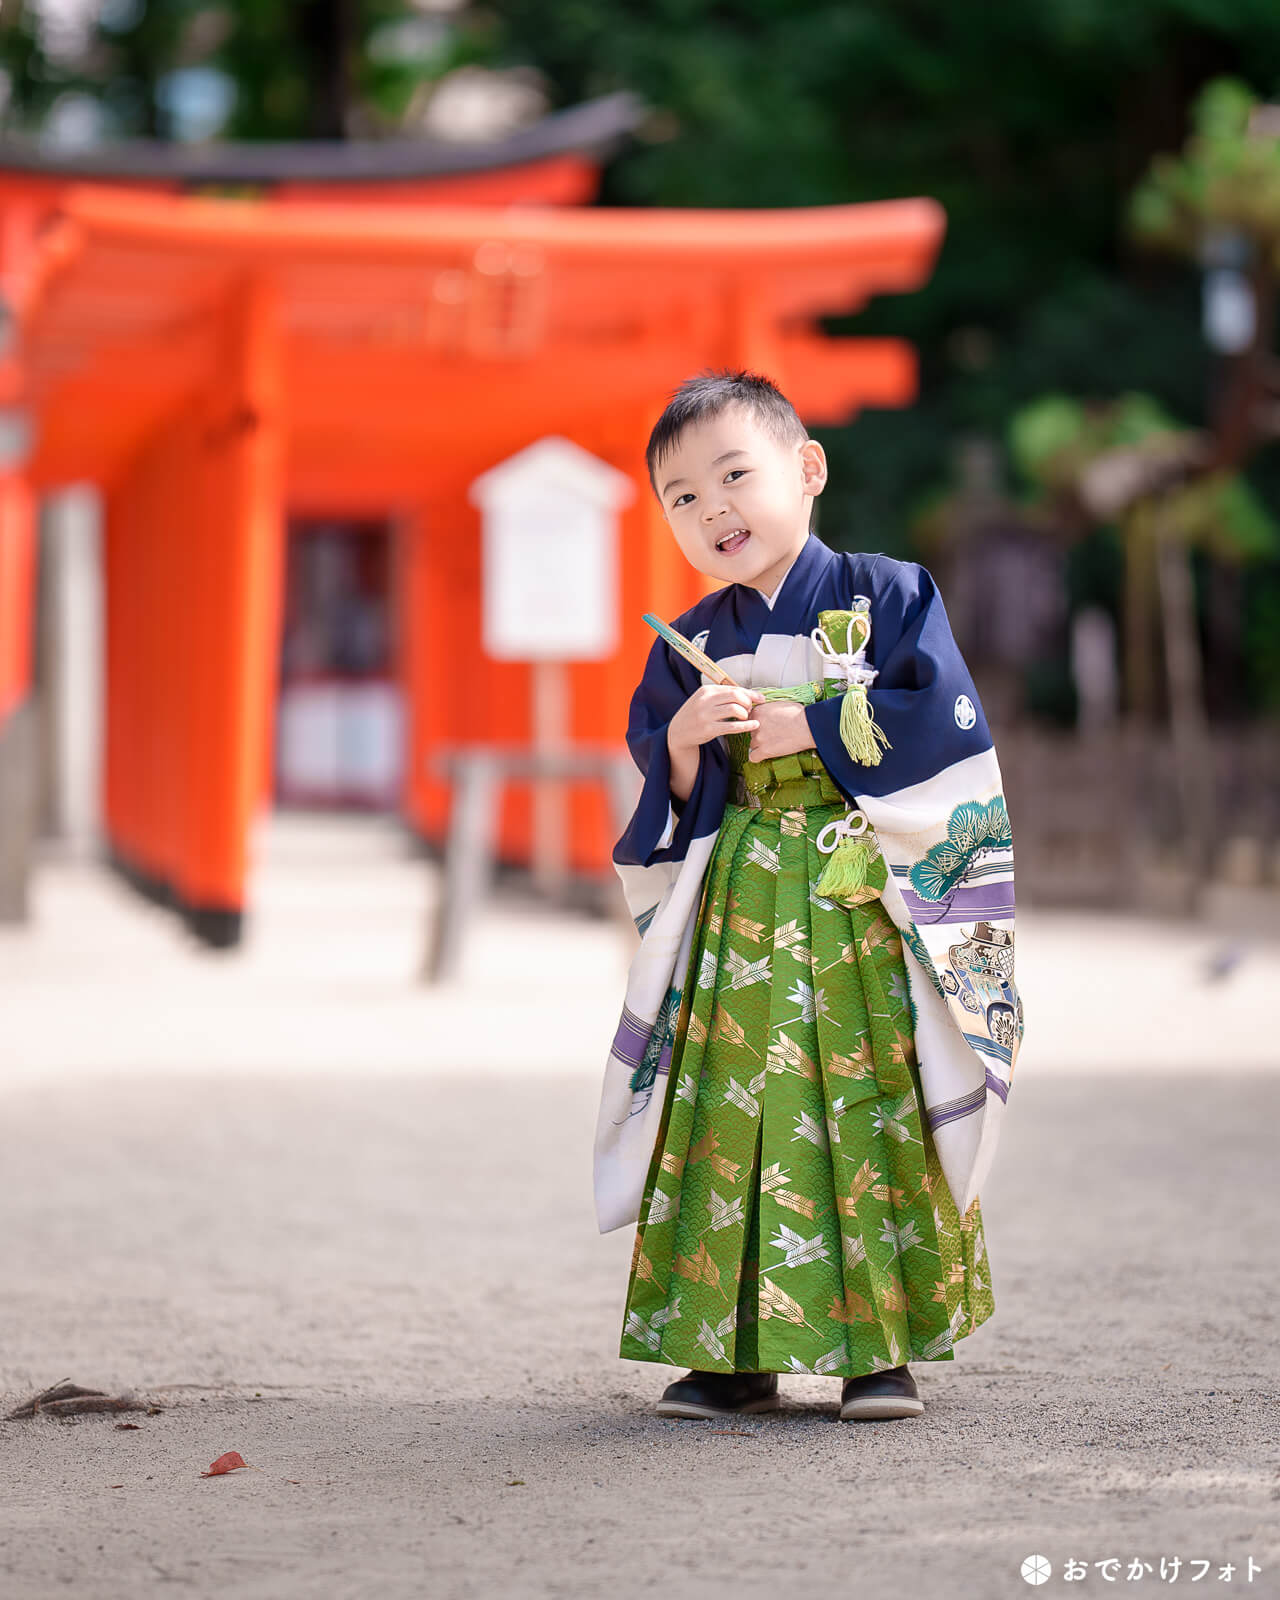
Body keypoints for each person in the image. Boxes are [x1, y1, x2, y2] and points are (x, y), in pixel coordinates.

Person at [593, 369, 1023, 1423]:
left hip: (852, 897)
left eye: (734, 474)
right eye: (682, 497)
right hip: (738, 900)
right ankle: (730, 1353)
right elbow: (662, 782)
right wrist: (684, 747)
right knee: (729, 1111)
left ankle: (878, 1350)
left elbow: (946, 728)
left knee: (864, 1098)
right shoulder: (685, 637)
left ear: (807, 469)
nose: (713, 509)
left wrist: (817, 728)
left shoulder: (886, 595)